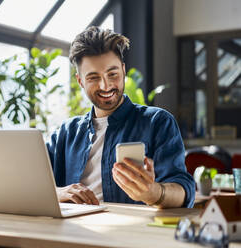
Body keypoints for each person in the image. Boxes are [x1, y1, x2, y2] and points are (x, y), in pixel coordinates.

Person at [46, 26, 195, 208]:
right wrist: (58, 192)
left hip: (131, 231)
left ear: (123, 70)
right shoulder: (66, 132)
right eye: (93, 77)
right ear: (80, 81)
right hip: (74, 231)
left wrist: (153, 193)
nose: (105, 85)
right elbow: (28, 184)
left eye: (113, 74)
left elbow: (183, 191)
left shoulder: (157, 122)